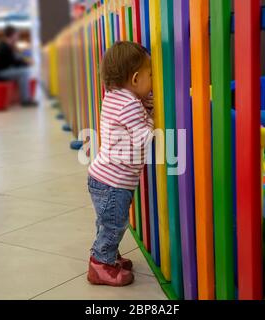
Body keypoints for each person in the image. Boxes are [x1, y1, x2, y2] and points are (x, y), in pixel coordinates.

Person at [87, 41, 154, 287]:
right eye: (151, 75)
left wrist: (144, 108)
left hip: (103, 178)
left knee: (107, 222)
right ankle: (99, 265)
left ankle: (108, 255)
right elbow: (142, 139)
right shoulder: (129, 105)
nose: (153, 80)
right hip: (113, 182)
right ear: (136, 79)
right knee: (114, 224)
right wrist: (153, 121)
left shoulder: (116, 98)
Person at [0, 25, 37, 107]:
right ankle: (25, 100)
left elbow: (13, 61)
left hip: (1, 70)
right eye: (17, 35)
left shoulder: (6, 45)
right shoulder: (4, 47)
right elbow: (13, 62)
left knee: (23, 70)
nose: (18, 37)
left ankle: (25, 98)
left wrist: (24, 63)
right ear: (12, 35)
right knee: (24, 72)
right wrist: (26, 63)